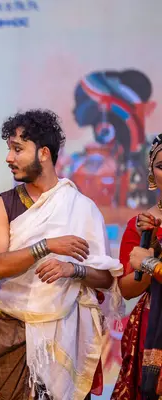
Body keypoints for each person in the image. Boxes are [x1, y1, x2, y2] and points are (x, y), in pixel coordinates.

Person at [0, 109, 123, 400]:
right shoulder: (2, 206)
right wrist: (46, 245)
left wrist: (73, 270)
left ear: (43, 153)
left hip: (66, 332)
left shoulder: (81, 207)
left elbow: (106, 279)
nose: (9, 158)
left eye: (17, 149)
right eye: (9, 149)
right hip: (11, 329)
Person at [122, 133, 162, 400]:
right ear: (151, 173)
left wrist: (149, 263)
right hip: (155, 326)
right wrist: (149, 257)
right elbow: (126, 289)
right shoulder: (142, 224)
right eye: (161, 167)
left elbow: (144, 264)